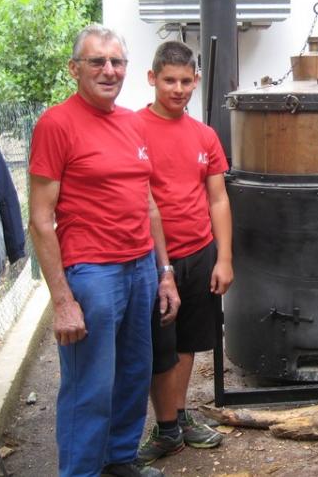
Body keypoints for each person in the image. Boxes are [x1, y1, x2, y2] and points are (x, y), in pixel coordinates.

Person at [29, 24, 180, 477]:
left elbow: (148, 203)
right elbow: (40, 218)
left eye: (116, 62)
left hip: (140, 269)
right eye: (97, 61)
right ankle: (80, 471)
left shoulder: (131, 122)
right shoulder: (56, 124)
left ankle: (118, 459)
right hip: (93, 273)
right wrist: (62, 300)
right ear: (75, 68)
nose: (109, 70)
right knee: (89, 385)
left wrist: (165, 271)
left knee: (134, 372)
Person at [135, 41, 233, 465]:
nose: (178, 89)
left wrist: (224, 257)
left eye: (186, 81)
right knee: (161, 345)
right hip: (155, 260)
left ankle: (173, 423)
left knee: (189, 341)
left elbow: (218, 199)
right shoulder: (131, 128)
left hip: (200, 252)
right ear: (152, 78)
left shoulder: (204, 135)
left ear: (195, 81)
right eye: (169, 80)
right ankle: (167, 423)